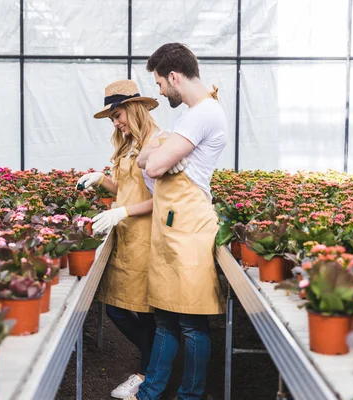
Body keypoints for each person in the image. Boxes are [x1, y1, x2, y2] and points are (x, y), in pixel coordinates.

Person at [127, 43, 228, 400]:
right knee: (166, 319)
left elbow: (151, 166)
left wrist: (157, 153)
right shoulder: (189, 114)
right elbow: (145, 160)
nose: (159, 90)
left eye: (158, 83)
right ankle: (149, 393)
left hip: (189, 229)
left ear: (173, 76)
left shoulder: (202, 114)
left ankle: (190, 395)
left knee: (191, 322)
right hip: (173, 227)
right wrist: (157, 150)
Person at [77, 80, 165, 399]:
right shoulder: (127, 144)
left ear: (134, 108)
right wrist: (101, 180)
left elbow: (163, 199)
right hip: (126, 236)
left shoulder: (157, 143)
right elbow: (127, 189)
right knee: (117, 307)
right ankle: (155, 366)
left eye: (118, 115)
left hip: (148, 238)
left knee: (143, 311)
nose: (115, 123)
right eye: (113, 117)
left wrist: (122, 212)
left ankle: (148, 372)